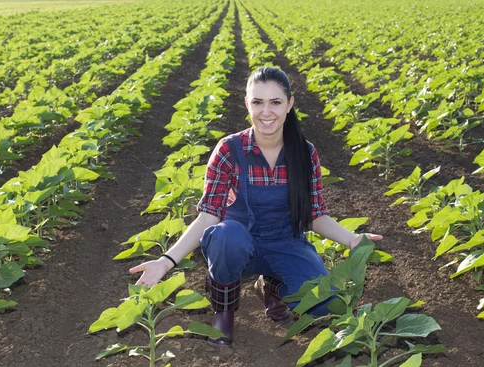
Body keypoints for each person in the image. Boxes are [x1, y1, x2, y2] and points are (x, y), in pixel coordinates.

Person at [129, 66, 383, 345]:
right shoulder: (229, 150)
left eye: (275, 102)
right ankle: (223, 315)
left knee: (325, 305)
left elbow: (314, 215)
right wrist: (165, 262)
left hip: (286, 244)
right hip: (239, 246)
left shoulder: (304, 152)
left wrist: (352, 239)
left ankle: (272, 286)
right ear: (247, 104)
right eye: (257, 102)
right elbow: (207, 218)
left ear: (289, 105)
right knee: (227, 237)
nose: (266, 112)